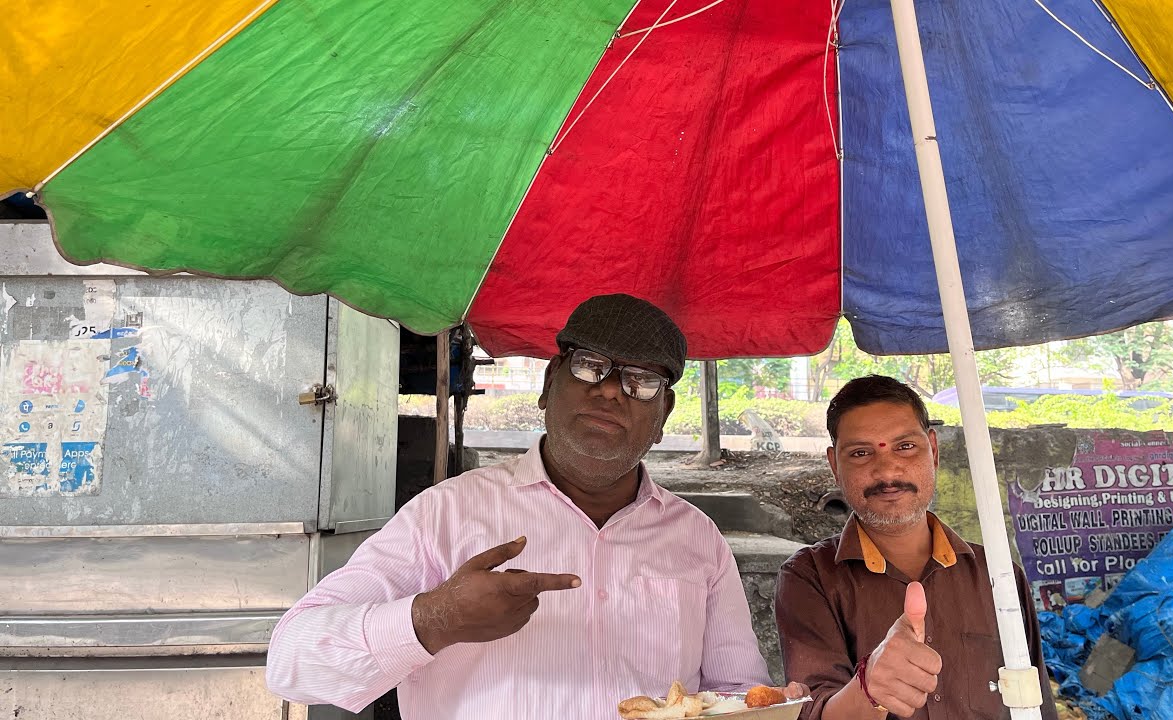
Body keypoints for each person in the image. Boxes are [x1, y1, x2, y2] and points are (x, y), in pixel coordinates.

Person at [266, 294, 777, 719]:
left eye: (642, 381)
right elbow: (292, 660)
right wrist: (434, 619)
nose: (610, 393)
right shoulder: (445, 515)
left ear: (663, 415)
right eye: (589, 365)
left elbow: (737, 693)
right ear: (548, 384)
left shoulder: (697, 539)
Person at [774, 375, 1057, 720]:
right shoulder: (809, 578)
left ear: (933, 451)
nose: (887, 469)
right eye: (861, 453)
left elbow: (1035, 703)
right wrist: (869, 689)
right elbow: (811, 712)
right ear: (835, 465)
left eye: (905, 447)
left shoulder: (999, 575)